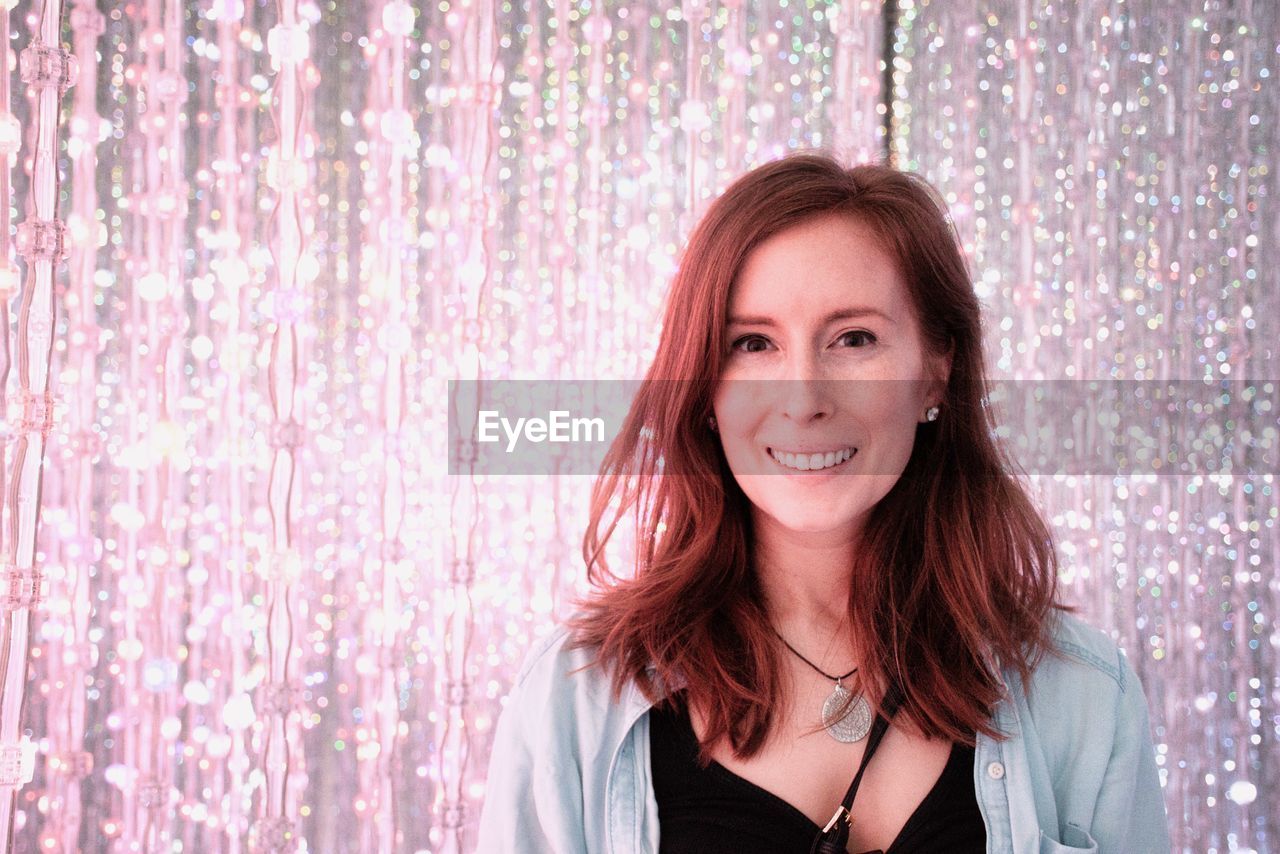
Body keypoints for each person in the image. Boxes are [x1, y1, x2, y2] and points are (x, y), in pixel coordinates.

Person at [475, 151, 1170, 853]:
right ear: (704, 388)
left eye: (854, 339)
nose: (804, 400)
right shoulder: (576, 698)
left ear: (937, 369)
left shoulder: (1086, 693)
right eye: (753, 343)